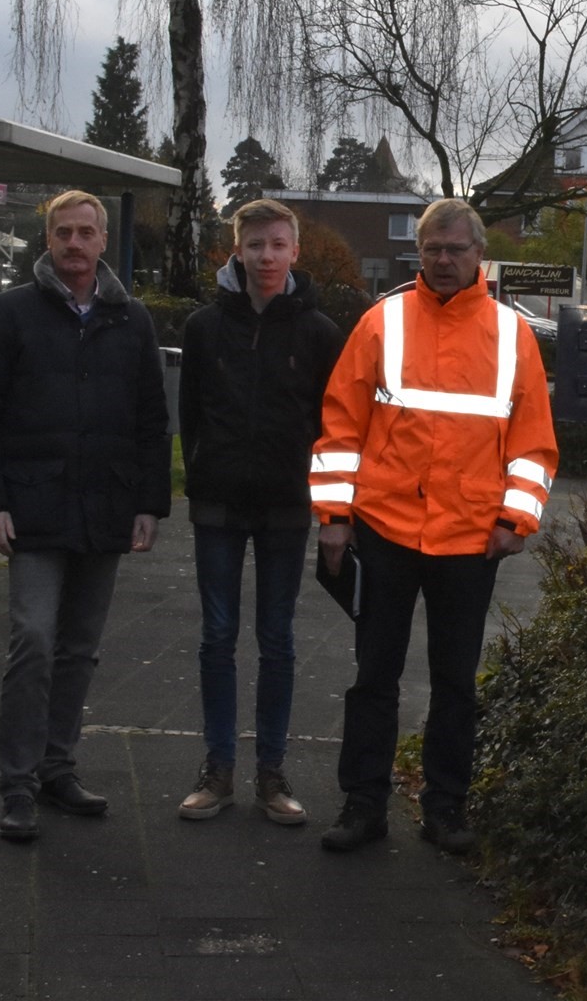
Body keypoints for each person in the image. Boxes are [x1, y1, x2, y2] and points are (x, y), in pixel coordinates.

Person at [309, 197, 558, 855]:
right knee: (374, 677)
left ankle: (446, 809)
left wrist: (516, 518)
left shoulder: (512, 336)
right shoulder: (381, 323)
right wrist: (333, 518)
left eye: (456, 250)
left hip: (472, 538)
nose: (444, 261)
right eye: (433, 250)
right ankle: (364, 805)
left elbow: (533, 443)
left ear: (480, 255)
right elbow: (340, 426)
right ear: (417, 254)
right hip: (385, 529)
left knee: (454, 682)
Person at [0, 189, 172, 843]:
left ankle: (58, 767)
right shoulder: (10, 315)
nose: (75, 244)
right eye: (63, 232)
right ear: (47, 240)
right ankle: (16, 783)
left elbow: (151, 423)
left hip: (104, 508)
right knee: (35, 641)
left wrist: (148, 504)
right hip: (33, 508)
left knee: (79, 649)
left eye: (86, 232)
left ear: (105, 240)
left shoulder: (131, 320)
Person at [175, 199, 342, 826]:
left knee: (278, 641)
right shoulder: (203, 328)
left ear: (295, 252)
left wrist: (331, 510)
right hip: (218, 503)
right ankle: (217, 771)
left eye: (277, 245)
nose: (266, 257)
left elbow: (333, 429)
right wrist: (199, 472)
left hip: (285, 507)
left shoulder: (320, 333)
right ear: (236, 250)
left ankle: (271, 774)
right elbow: (189, 413)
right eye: (255, 246)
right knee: (217, 637)